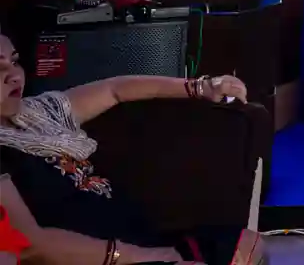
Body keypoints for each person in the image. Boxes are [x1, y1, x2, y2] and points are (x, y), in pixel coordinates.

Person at [0, 27, 249, 264]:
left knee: (251, 246)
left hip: (142, 238)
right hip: (103, 258)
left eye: (14, 61)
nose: (14, 76)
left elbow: (115, 90)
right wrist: (148, 257)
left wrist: (201, 87)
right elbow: (30, 245)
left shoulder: (40, 112)